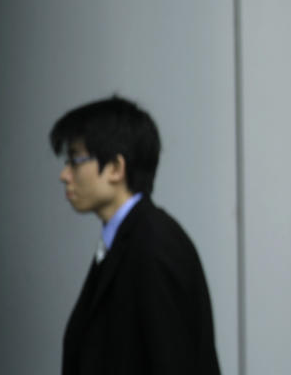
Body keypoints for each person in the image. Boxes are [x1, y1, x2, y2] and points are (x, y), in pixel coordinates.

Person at [52, 96, 221, 375]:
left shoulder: (154, 245)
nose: (64, 174)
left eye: (75, 159)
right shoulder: (126, 239)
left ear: (116, 168)